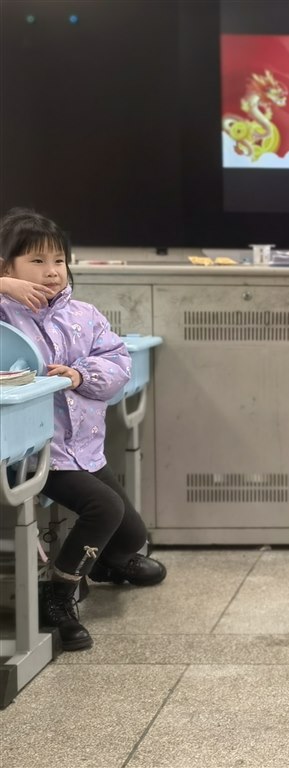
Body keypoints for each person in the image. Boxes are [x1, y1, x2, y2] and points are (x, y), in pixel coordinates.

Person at [0, 208, 166, 652]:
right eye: (36, 261)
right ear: (7, 266)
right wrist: (1, 286)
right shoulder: (3, 315)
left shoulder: (85, 315)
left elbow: (117, 364)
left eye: (58, 260)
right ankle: (57, 595)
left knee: (132, 537)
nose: (52, 271)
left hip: (85, 450)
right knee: (104, 508)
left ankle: (102, 564)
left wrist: (79, 375)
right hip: (35, 453)